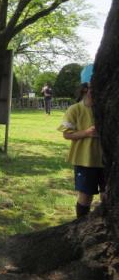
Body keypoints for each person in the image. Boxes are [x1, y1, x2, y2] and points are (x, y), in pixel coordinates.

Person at [58, 64, 104, 219]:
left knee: (108, 195)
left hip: (106, 161)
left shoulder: (106, 109)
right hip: (85, 161)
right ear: (85, 88)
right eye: (94, 86)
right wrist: (86, 132)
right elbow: (67, 135)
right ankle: (81, 225)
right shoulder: (75, 109)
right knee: (86, 197)